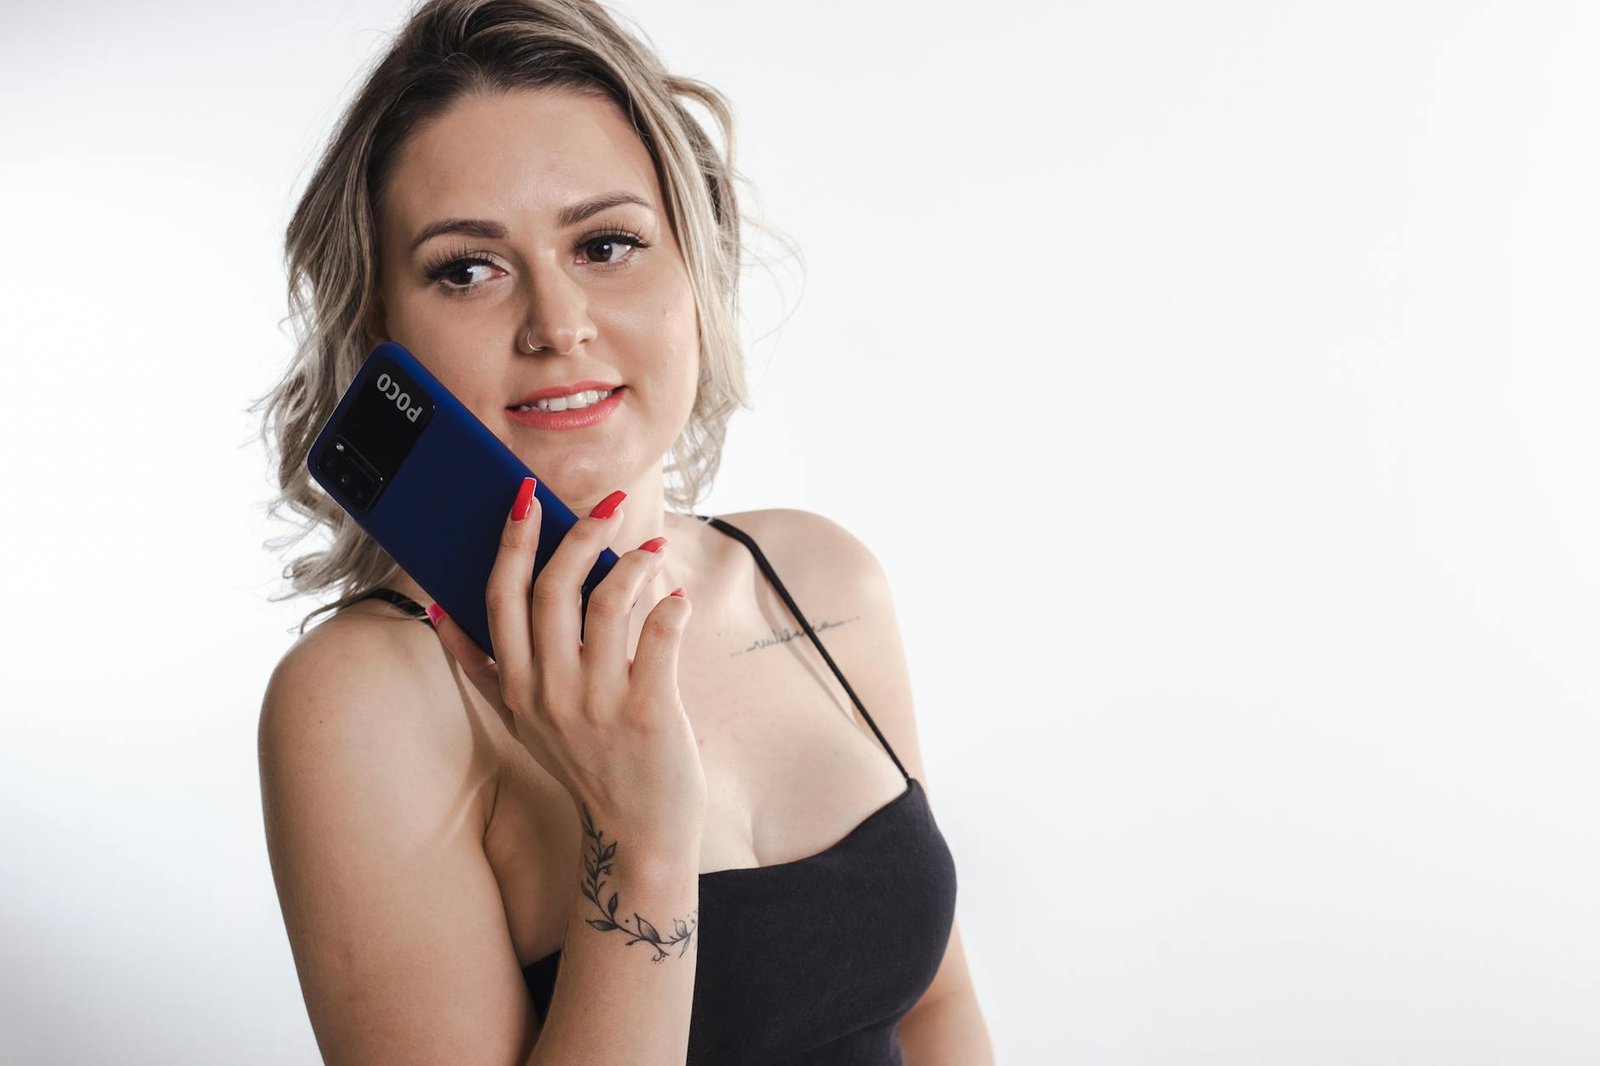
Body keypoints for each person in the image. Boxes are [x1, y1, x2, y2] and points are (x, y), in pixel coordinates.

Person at [253, 1, 992, 1062]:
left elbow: (935, 1009)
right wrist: (638, 833)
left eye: (606, 244)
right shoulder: (363, 702)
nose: (557, 324)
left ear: (696, 264)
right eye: (467, 268)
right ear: (382, 335)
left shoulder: (818, 579)